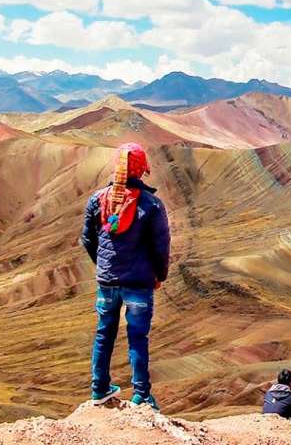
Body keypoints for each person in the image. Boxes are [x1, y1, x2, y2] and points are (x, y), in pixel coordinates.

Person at [81, 142, 171, 410]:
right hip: (139, 285)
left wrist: (103, 265)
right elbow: (160, 246)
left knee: (103, 334)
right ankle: (141, 394)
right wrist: (159, 276)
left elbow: (87, 239)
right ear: (142, 169)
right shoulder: (152, 205)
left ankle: (99, 389)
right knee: (138, 337)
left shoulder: (97, 200)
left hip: (107, 283)